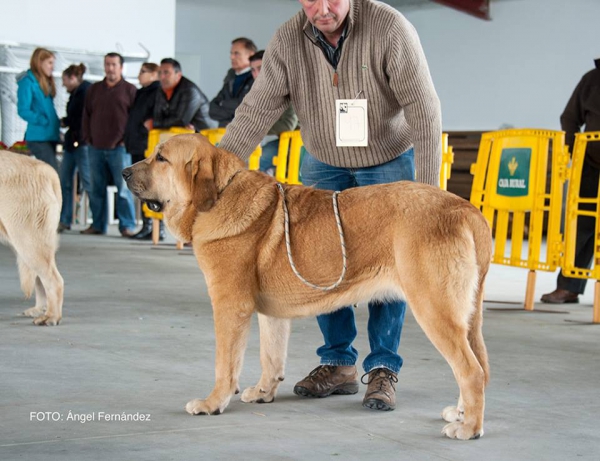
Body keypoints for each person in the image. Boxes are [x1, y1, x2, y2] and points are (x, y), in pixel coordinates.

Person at [218, 0, 442, 412]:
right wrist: (218, 173)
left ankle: (382, 369)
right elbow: (257, 109)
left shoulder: (389, 27)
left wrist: (429, 198)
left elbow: (424, 111)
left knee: (389, 265)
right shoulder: (288, 38)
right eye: (310, 0)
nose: (321, 9)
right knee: (317, 259)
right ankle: (337, 363)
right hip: (322, 160)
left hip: (387, 159)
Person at [541, 58, 600, 304]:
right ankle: (569, 287)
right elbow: (569, 117)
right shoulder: (592, 79)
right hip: (591, 164)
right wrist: (576, 153)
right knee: (581, 225)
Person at [81, 52, 137, 236]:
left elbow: (134, 120)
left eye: (114, 64)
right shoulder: (94, 89)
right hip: (95, 147)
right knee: (96, 189)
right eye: (107, 64)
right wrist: (88, 138)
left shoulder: (130, 90)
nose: (110, 68)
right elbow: (86, 115)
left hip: (120, 148)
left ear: (121, 67)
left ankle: (127, 226)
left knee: (123, 189)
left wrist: (124, 141)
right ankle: (98, 225)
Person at [124, 62, 163, 241]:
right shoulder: (141, 92)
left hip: (146, 144)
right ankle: (146, 224)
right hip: (137, 144)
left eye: (143, 72)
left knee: (150, 186)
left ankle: (154, 226)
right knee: (140, 186)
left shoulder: (157, 92)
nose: (139, 75)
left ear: (154, 74)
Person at [249, 50, 299, 175]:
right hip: (283, 143)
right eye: (253, 70)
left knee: (258, 161)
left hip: (301, 145)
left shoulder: (289, 87)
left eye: (260, 68)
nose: (256, 74)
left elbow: (288, 125)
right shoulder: (264, 93)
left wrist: (257, 127)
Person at [57, 64, 93, 233]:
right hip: (72, 144)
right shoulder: (76, 93)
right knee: (64, 181)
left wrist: (69, 124)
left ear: (72, 78)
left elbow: (83, 118)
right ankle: (64, 219)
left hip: (82, 144)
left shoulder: (85, 92)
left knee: (88, 182)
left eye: (64, 80)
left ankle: (97, 222)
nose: (63, 85)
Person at [16, 47, 60, 171]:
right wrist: (42, 120)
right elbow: (23, 110)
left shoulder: (45, 82)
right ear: (40, 62)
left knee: (50, 172)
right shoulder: (28, 82)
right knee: (52, 171)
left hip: (50, 135)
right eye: (49, 63)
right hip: (38, 137)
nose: (52, 67)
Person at [149, 58, 212, 132]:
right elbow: (158, 115)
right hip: (183, 137)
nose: (162, 77)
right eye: (160, 73)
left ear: (178, 75)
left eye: (166, 73)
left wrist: (154, 124)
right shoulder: (161, 89)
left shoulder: (190, 91)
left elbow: (180, 121)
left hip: (205, 137)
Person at [209, 37, 257, 127]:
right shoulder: (230, 77)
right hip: (224, 133)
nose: (231, 57)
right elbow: (212, 108)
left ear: (251, 55)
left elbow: (247, 108)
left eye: (236, 53)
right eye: (231, 53)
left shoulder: (257, 78)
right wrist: (233, 116)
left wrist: (223, 104)